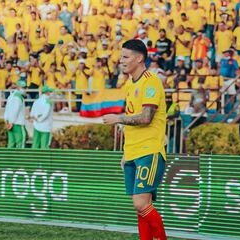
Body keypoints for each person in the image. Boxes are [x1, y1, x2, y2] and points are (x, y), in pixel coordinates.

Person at [103, 39, 167, 240]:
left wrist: (117, 118)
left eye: (125, 56)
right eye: (121, 56)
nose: (121, 60)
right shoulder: (130, 84)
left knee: (141, 204)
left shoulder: (151, 81)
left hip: (149, 150)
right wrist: (125, 152)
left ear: (139, 58)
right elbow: (133, 119)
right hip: (132, 151)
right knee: (141, 207)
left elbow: (146, 117)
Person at [4, 80, 27, 148]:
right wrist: (11, 122)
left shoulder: (10, 96)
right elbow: (15, 111)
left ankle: (8, 158)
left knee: (11, 143)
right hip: (18, 123)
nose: (25, 89)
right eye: (24, 87)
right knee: (21, 142)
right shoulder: (19, 97)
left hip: (9, 123)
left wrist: (6, 121)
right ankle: (20, 158)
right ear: (18, 87)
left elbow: (7, 109)